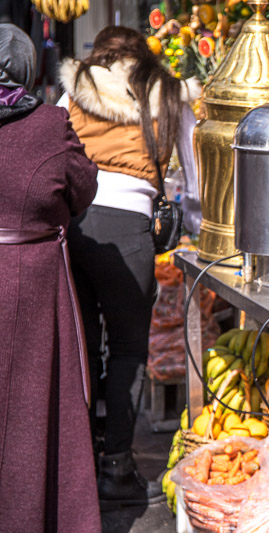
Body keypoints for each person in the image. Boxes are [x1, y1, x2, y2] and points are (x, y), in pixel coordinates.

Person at [58, 26, 201, 508]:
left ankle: (79, 459)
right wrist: (196, 224)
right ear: (143, 55)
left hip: (74, 225)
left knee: (83, 345)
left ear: (100, 54)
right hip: (130, 228)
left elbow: (51, 143)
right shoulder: (166, 89)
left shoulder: (77, 83)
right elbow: (194, 175)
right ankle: (116, 468)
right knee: (127, 351)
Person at [0, 24, 101, 532]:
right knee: (29, 412)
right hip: (29, 284)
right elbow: (83, 188)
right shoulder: (47, 124)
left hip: (28, 278)